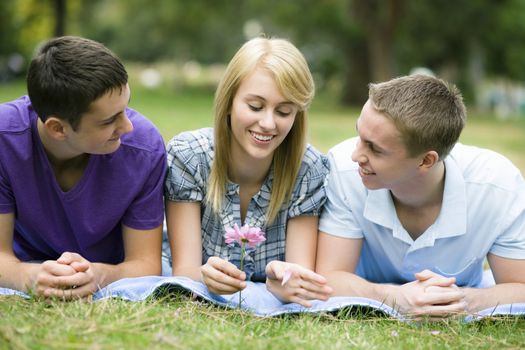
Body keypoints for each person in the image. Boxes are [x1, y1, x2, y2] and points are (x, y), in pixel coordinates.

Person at [316, 74, 525, 317]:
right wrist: (393, 298)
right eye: (359, 136)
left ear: (426, 161)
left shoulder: (497, 185)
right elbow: (328, 277)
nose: (356, 155)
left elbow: (520, 286)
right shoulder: (341, 169)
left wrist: (463, 301)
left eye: (374, 148)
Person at [163, 37, 333, 307]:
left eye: (284, 111)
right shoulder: (189, 156)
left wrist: (285, 283)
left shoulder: (308, 169)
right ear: (229, 102)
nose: (267, 123)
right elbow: (185, 271)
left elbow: (299, 278)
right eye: (255, 107)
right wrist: (205, 277)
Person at [0, 36, 166, 299]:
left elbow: (145, 264)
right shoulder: (5, 139)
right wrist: (29, 277)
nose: (127, 127)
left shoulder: (145, 149)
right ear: (58, 128)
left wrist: (98, 275)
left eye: (126, 108)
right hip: (26, 259)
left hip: (107, 263)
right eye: (110, 120)